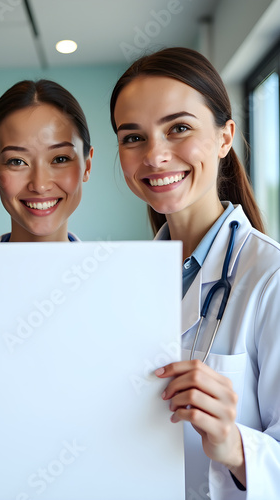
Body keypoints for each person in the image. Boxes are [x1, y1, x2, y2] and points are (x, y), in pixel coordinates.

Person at [110, 47, 280, 499]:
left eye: (179, 128)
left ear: (225, 137)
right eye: (133, 137)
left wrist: (233, 444)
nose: (155, 156)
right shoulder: (118, 286)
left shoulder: (271, 277)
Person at [0, 79, 93, 242]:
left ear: (87, 166)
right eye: (17, 162)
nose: (39, 186)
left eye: (60, 159)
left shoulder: (122, 268)